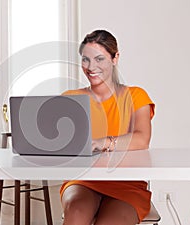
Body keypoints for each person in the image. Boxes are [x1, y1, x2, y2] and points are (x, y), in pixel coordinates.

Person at [60, 30, 155, 225]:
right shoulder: (70, 98)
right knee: (76, 213)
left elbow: (141, 139)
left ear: (115, 58)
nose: (91, 67)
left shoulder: (136, 96)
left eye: (99, 59)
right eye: (85, 59)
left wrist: (103, 143)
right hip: (83, 181)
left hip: (127, 184)